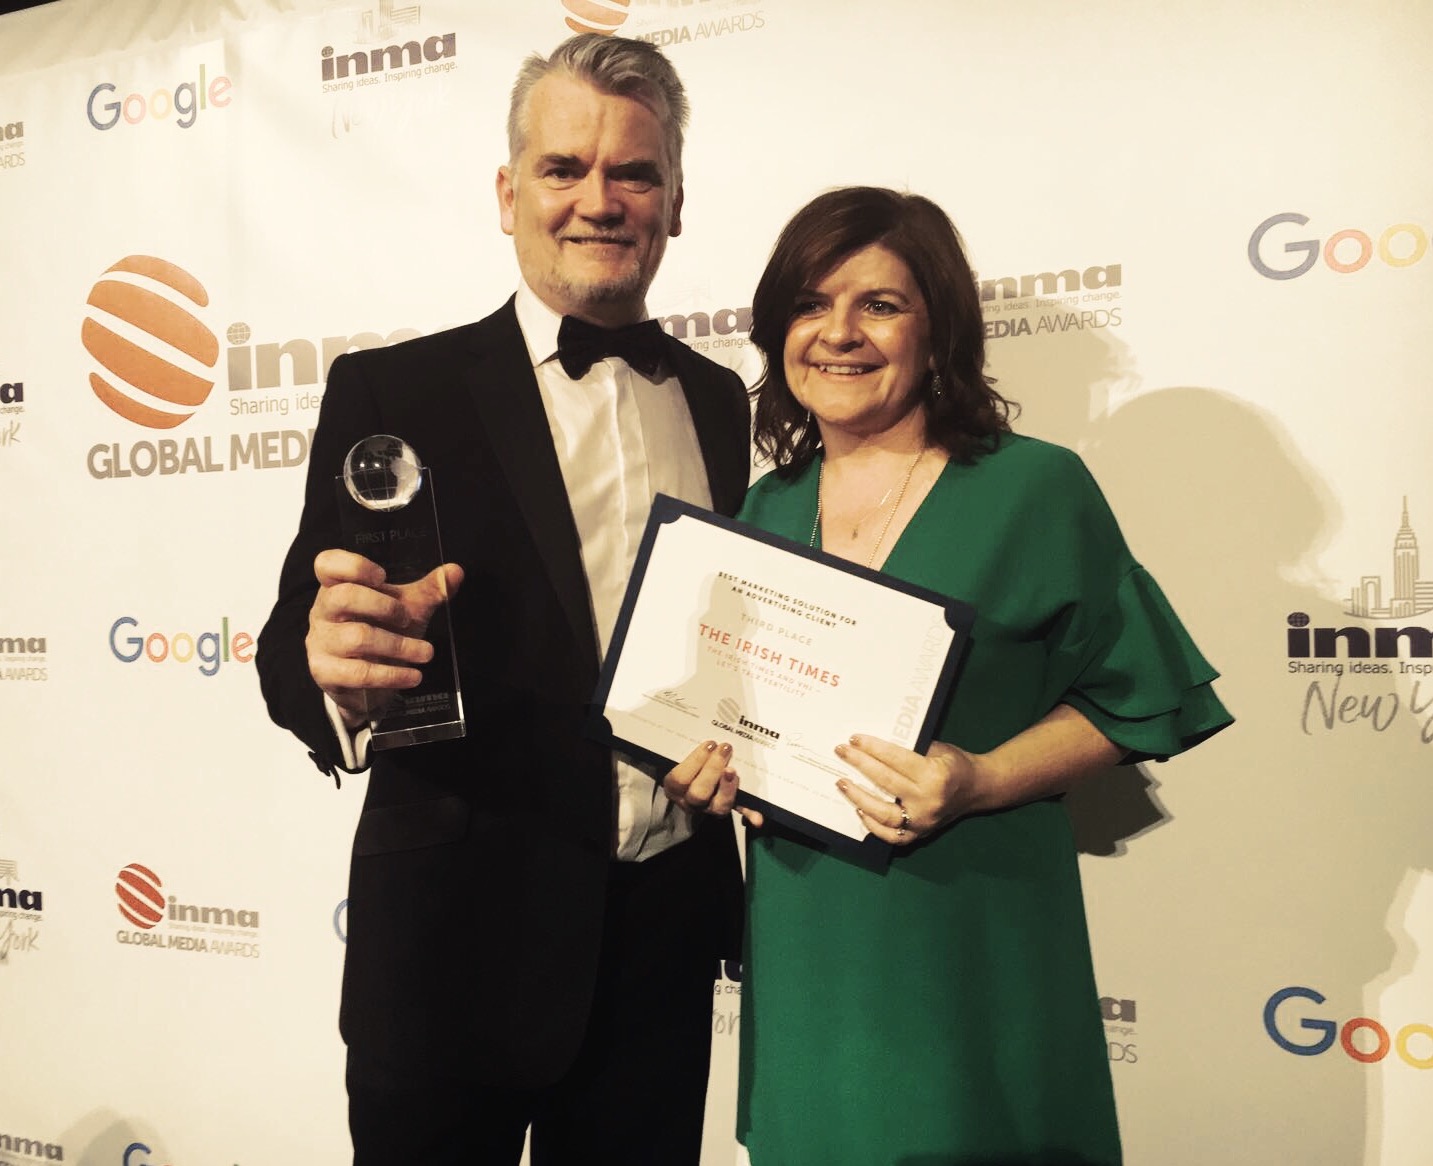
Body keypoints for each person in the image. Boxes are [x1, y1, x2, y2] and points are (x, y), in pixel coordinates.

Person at [255, 34, 749, 1166]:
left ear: (675, 202)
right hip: (452, 950)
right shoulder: (395, 390)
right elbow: (293, 644)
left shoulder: (723, 402)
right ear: (507, 192)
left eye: (634, 173)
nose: (599, 200)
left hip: (660, 950)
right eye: (562, 167)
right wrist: (334, 677)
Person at [664, 187, 1233, 1165]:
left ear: (939, 330)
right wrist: (713, 773)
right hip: (807, 944)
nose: (838, 333)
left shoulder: (1032, 487)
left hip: (974, 938)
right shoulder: (759, 509)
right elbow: (731, 719)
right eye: (809, 304)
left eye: (879, 304)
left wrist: (981, 778)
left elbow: (1140, 697)